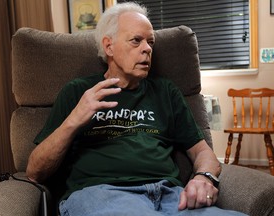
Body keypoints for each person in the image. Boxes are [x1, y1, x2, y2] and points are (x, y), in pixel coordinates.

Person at [26, 2, 247, 216]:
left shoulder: (165, 92)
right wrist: (73, 121)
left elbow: (202, 151)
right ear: (109, 46)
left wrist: (204, 177)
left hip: (170, 196)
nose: (147, 49)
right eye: (136, 41)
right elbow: (35, 171)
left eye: (150, 42)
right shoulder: (78, 92)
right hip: (103, 194)